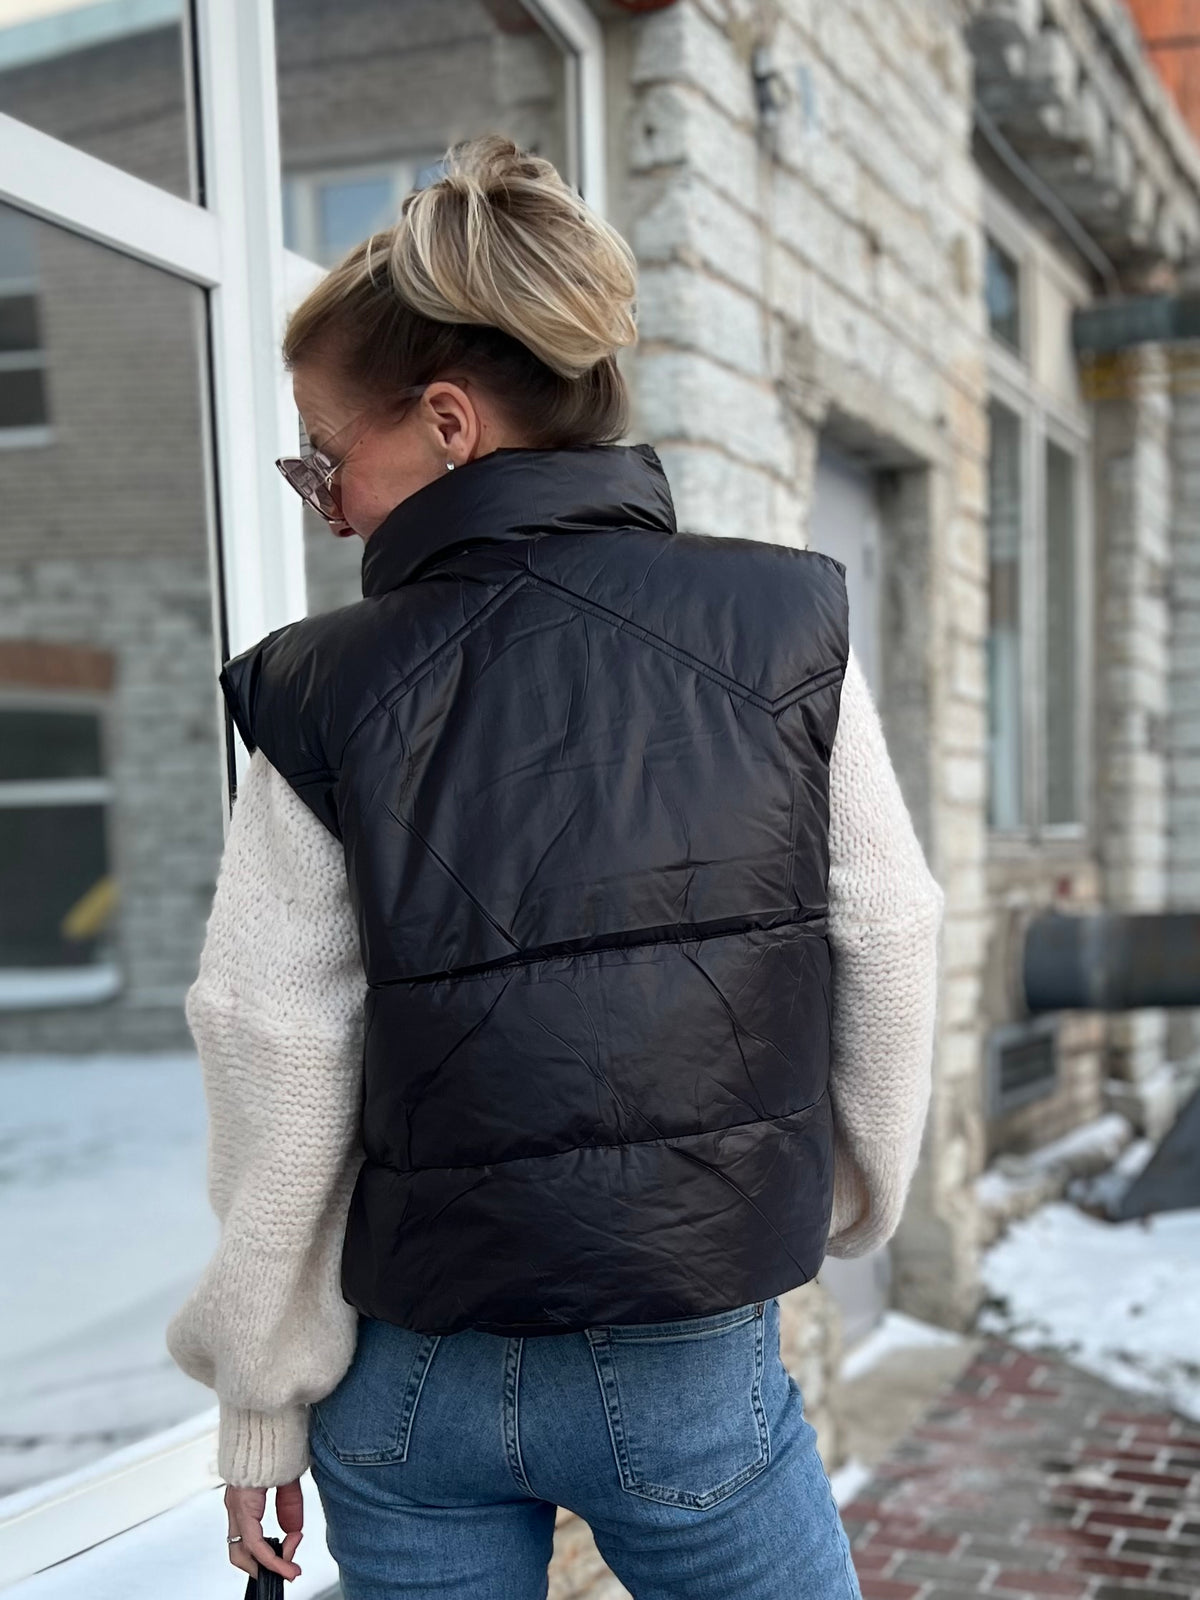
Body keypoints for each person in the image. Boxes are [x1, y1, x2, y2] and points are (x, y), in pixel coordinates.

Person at [166, 133, 944, 1600]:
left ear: (448, 424)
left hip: (411, 1381)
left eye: (323, 459)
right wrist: (820, 1199)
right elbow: (888, 931)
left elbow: (273, 1039)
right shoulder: (780, 627)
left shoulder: (319, 688)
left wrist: (260, 1403)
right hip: (683, 1358)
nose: (325, 504)